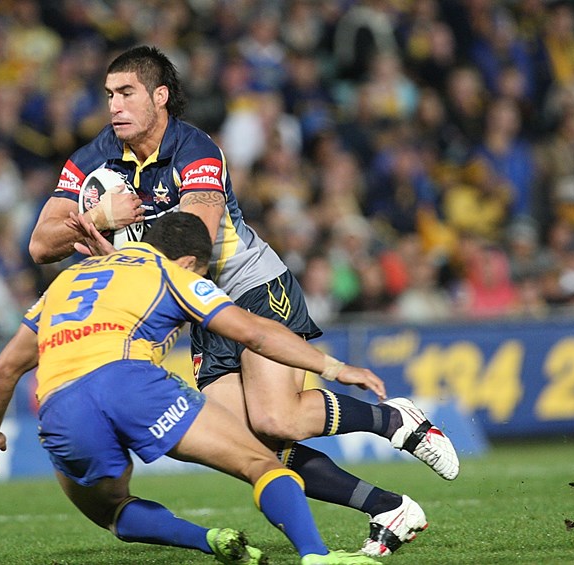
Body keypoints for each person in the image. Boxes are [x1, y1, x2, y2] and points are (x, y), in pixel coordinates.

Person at [28, 45, 459, 557]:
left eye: (126, 93)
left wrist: (121, 247)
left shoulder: (196, 150)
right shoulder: (94, 157)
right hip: (194, 306)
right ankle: (387, 507)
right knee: (253, 447)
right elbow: (40, 244)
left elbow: (197, 242)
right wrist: (99, 220)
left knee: (278, 419)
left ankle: (394, 421)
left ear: (159, 97)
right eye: (108, 95)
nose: (113, 106)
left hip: (248, 286)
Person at [0, 212, 385, 565]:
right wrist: (334, 367)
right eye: (202, 273)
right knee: (261, 463)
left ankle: (209, 540)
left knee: (111, 510)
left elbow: (2, 373)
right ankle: (315, 554)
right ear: (191, 261)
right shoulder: (172, 274)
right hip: (130, 382)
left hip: (59, 405)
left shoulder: (66, 281)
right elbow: (255, 333)